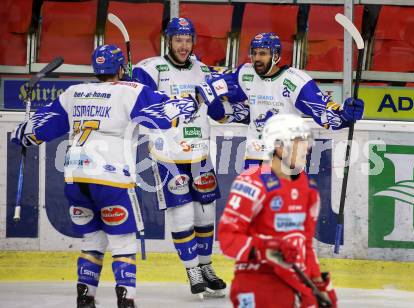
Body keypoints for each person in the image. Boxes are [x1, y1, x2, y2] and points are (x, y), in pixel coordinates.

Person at [10, 44, 201, 308]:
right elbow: (164, 116)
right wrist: (192, 102)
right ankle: (126, 299)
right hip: (111, 180)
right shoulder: (132, 91)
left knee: (92, 240)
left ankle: (85, 297)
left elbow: (34, 131)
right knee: (123, 242)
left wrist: (23, 132)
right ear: (121, 68)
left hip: (75, 179)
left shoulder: (74, 93)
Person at [132, 17, 227, 297]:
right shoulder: (149, 68)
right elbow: (139, 109)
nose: (183, 46)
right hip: (167, 154)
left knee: (205, 213)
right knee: (183, 213)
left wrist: (213, 96)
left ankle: (207, 267)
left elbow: (218, 114)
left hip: (199, 152)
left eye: (188, 40)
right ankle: (193, 271)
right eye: (178, 40)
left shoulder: (204, 70)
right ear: (168, 40)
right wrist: (132, 81)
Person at [217, 114, 338, 308]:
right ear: (280, 146)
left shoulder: (308, 187)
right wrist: (265, 248)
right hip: (257, 281)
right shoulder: (252, 182)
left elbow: (305, 243)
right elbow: (228, 237)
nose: (307, 147)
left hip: (295, 281)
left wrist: (317, 282)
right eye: (299, 141)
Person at [197, 32, 364, 170]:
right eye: (254, 53)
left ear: (275, 56)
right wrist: (209, 92)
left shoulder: (296, 81)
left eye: (262, 53)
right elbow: (221, 93)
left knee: (283, 210)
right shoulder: (246, 74)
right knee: (254, 210)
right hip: (254, 157)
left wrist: (346, 113)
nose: (256, 58)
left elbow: (325, 113)